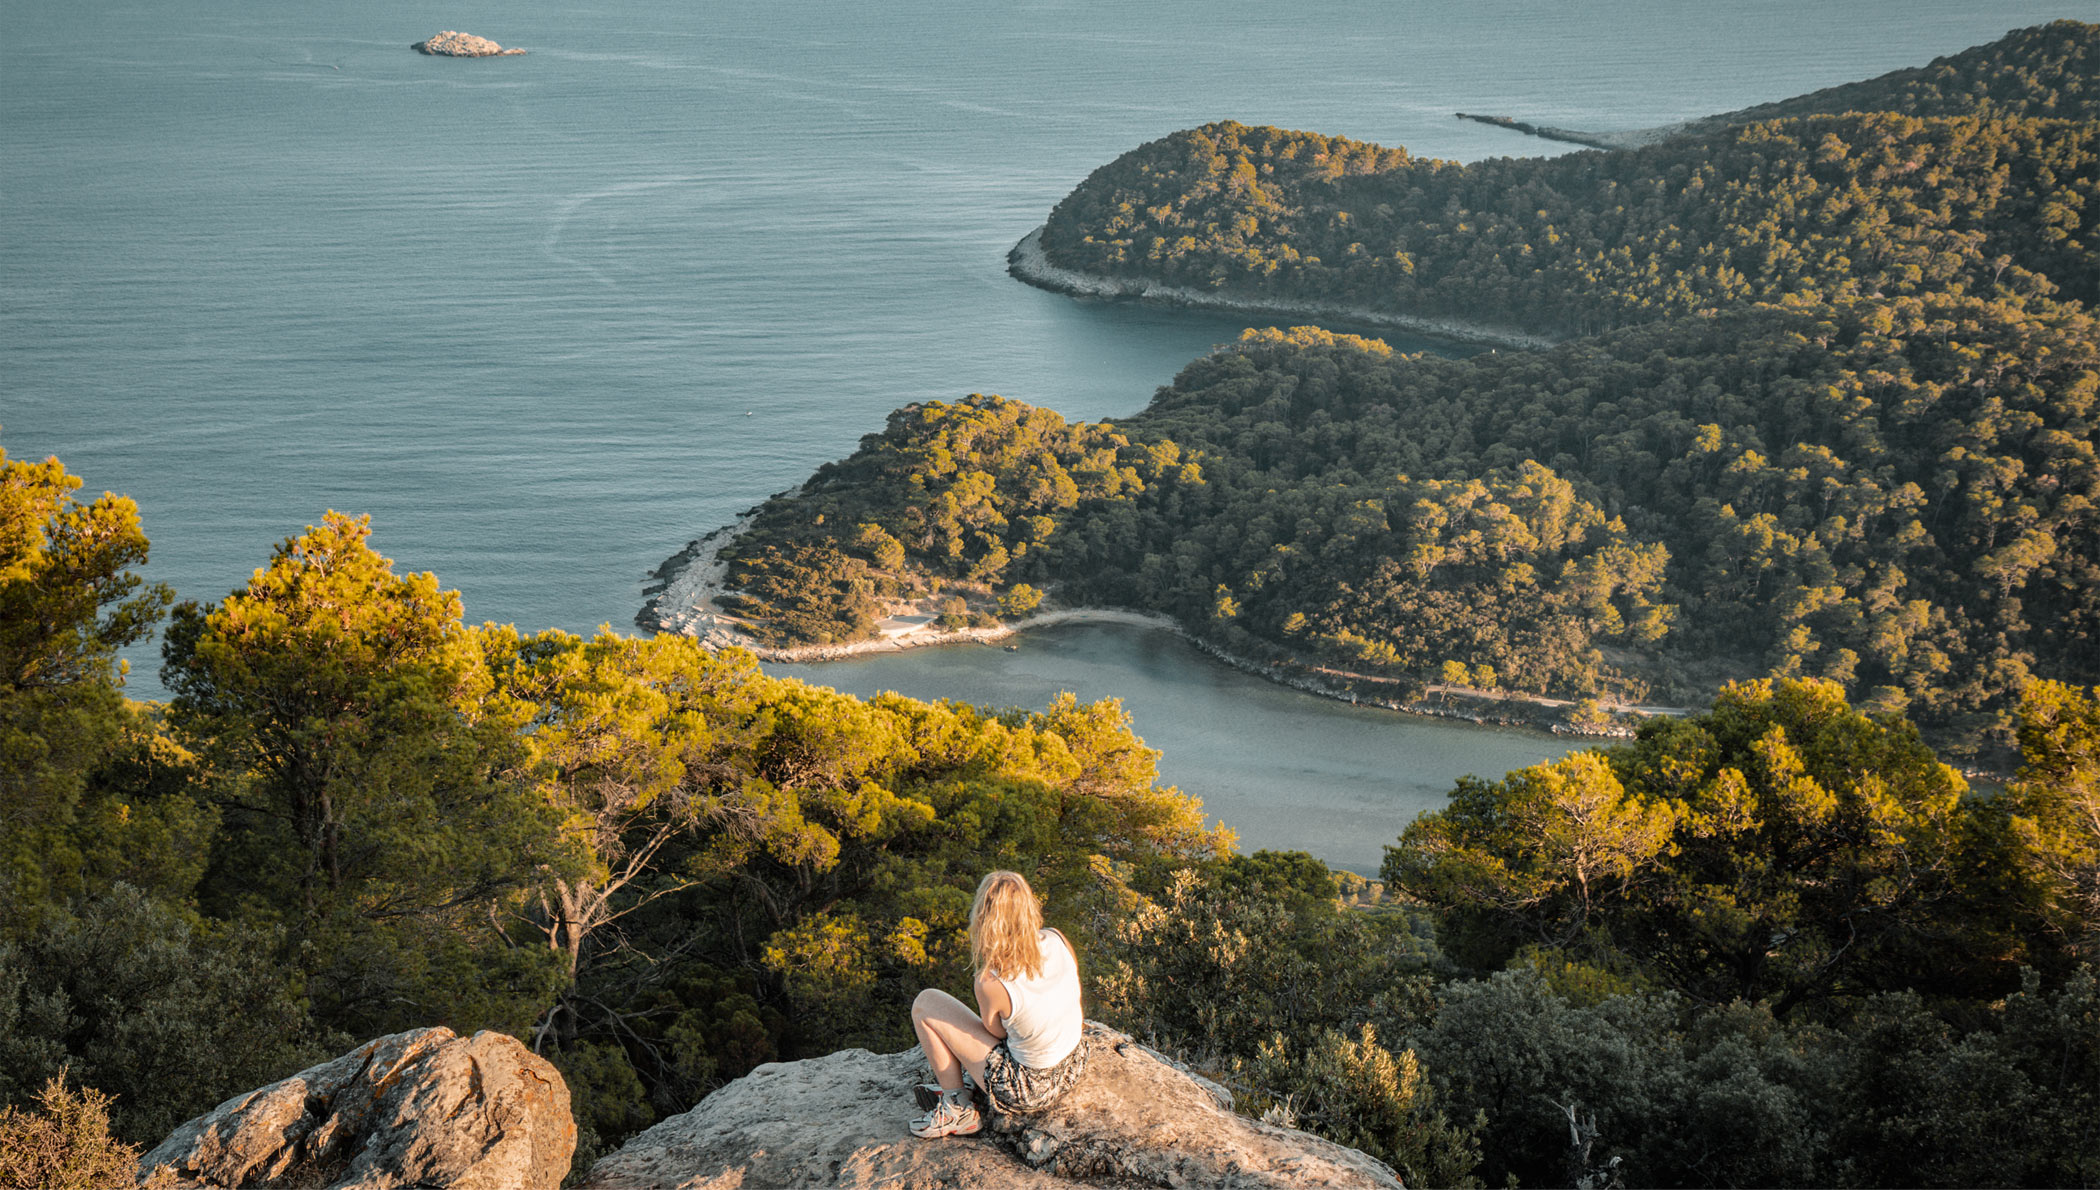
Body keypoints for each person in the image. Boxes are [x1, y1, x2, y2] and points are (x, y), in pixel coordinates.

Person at [907, 869, 1089, 1138]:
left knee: (925, 1003)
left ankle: (957, 1107)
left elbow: (996, 1034)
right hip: (1074, 1063)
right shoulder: (1057, 938)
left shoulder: (992, 982)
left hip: (1028, 1089)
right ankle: (970, 1084)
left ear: (984, 918)